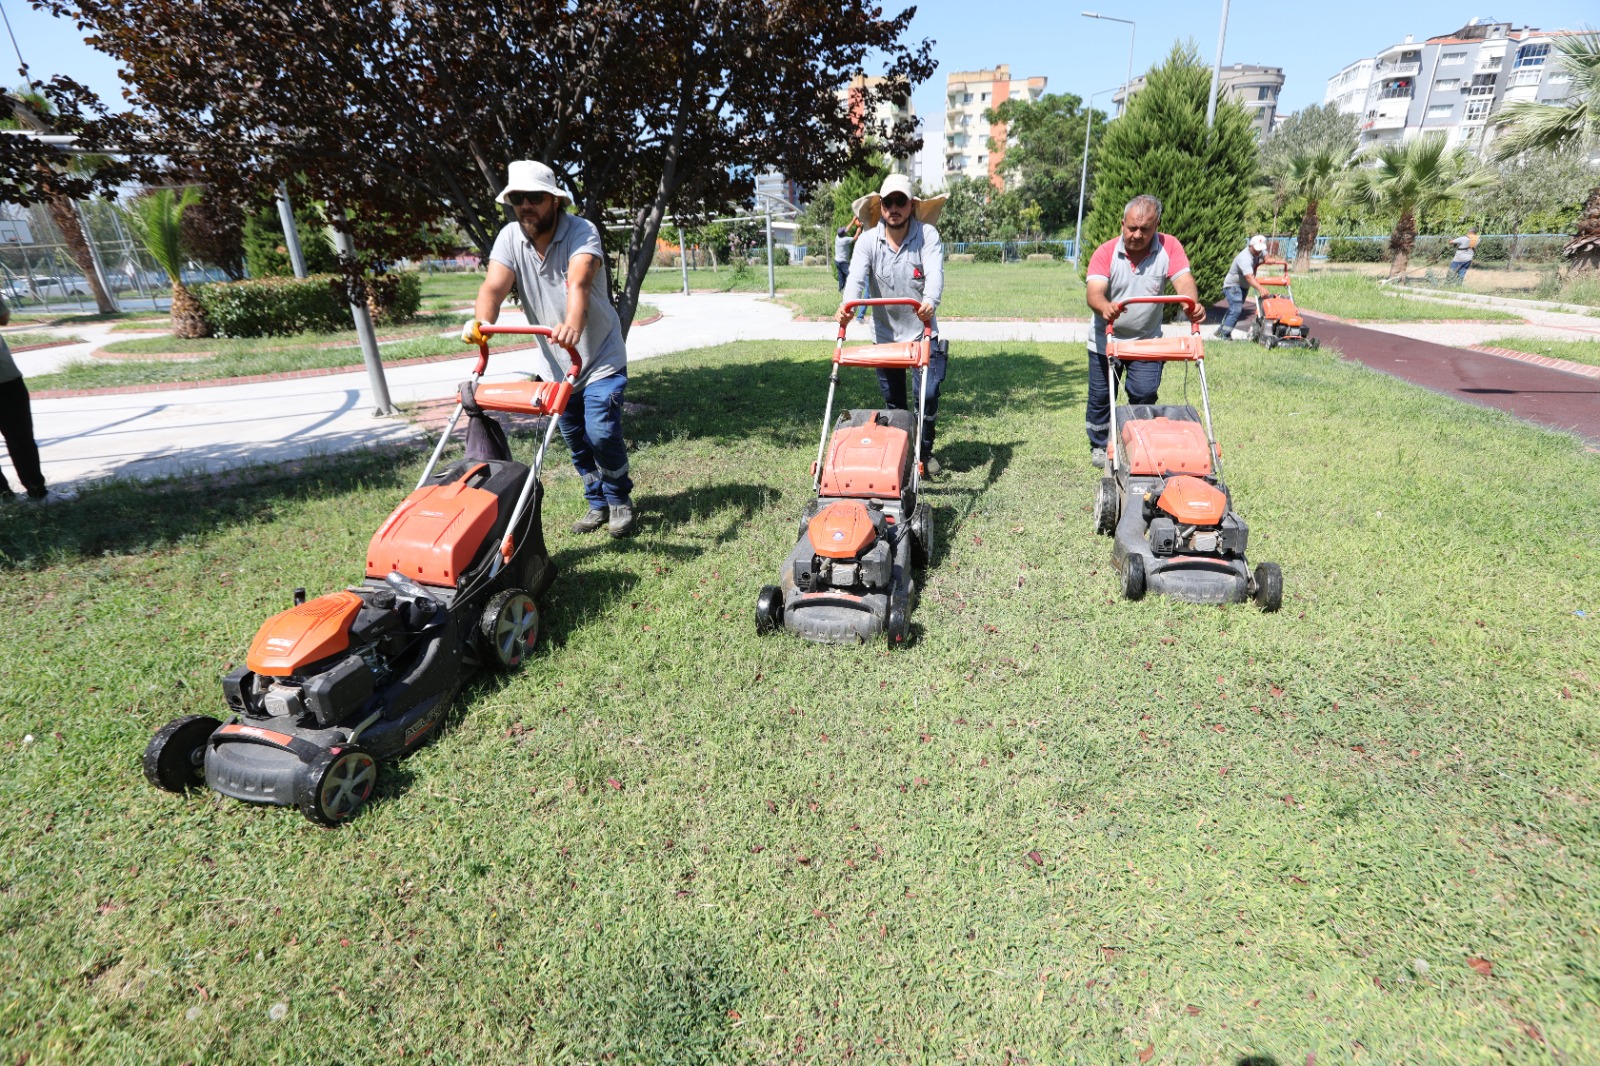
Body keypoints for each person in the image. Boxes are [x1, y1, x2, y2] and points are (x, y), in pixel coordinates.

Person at [464, 160, 636, 538]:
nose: (526, 204)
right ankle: (597, 503)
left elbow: (579, 280)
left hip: (600, 356)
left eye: (535, 197)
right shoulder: (510, 238)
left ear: (555, 201)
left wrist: (573, 324)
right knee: (575, 439)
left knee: (602, 432)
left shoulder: (581, 231)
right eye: (517, 198)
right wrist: (482, 326)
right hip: (556, 365)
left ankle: (619, 498)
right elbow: (493, 287)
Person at [836, 174, 949, 474]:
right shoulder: (869, 241)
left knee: (927, 396)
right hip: (886, 337)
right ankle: (901, 457)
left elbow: (935, 272)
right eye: (888, 202)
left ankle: (923, 454)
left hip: (923, 332)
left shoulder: (927, 235)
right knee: (895, 403)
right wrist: (846, 307)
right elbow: (856, 278)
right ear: (881, 206)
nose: (894, 208)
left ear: (912, 205)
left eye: (901, 201)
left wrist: (930, 300)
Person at [1083, 194, 1205, 469]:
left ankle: (1136, 439)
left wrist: (1191, 305)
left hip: (1147, 342)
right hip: (1107, 339)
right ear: (1122, 223)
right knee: (1102, 397)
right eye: (1131, 228)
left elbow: (1184, 280)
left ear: (1157, 226)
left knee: (1144, 393)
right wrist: (1105, 308)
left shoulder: (1169, 247)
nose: (1137, 234)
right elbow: (1094, 293)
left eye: (1145, 229)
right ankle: (1099, 445)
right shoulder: (1106, 252)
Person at [0, 292, 67, 504]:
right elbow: (3, 318)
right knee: (20, 438)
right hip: (4, 380)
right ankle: (37, 492)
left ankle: (3, 496)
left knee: (20, 438)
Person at [1215, 234, 1270, 341]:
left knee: (1233, 310)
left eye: (1260, 249)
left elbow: (1265, 254)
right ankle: (1224, 334)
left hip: (1243, 286)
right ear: (1250, 246)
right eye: (1257, 249)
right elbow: (1249, 277)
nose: (1259, 252)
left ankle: (1221, 331)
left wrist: (1267, 259)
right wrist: (1261, 289)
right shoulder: (1244, 258)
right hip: (1233, 286)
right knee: (1236, 310)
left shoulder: (1259, 250)